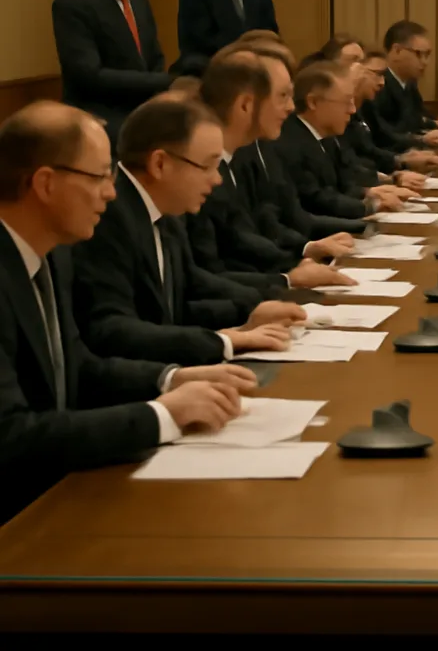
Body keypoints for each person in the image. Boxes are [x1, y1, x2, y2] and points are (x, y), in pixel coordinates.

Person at [0, 102, 255, 523]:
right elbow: (10, 436)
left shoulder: (51, 257)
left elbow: (78, 366)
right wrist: (162, 416)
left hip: (55, 494)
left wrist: (171, 378)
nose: (112, 191)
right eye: (99, 176)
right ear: (45, 183)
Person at [72, 97, 305, 366]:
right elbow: (110, 329)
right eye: (207, 166)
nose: (217, 179)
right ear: (160, 164)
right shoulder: (108, 216)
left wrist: (253, 307)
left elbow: (186, 288)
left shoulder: (166, 207)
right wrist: (224, 340)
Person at [186, 57, 349, 294]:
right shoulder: (200, 170)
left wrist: (301, 255)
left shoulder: (238, 158)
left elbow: (248, 234)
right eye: (282, 96)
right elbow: (208, 270)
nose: (292, 107)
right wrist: (287, 278)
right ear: (245, 105)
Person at [52, 0, 171, 143]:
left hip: (143, 111)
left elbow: (155, 58)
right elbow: (88, 75)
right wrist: (164, 82)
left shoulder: (139, 1)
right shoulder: (74, 1)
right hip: (98, 116)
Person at [276, 63, 417, 220]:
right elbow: (315, 199)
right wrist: (369, 207)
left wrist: (370, 192)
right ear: (313, 102)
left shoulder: (326, 136)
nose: (352, 110)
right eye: (346, 101)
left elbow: (344, 183)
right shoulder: (290, 142)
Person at [343, 48, 438, 184]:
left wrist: (402, 159)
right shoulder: (335, 115)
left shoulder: (365, 105)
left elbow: (379, 140)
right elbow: (346, 167)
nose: (382, 83)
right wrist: (395, 172)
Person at [367, 20, 438, 149]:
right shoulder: (378, 84)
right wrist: (420, 139)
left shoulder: (409, 82)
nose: (425, 62)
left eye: (427, 55)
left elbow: (415, 117)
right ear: (397, 50)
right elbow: (383, 134)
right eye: (418, 54)